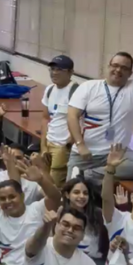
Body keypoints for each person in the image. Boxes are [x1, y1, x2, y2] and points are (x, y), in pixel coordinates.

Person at [67, 18, 133, 181]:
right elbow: (72, 116)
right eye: (115, 65)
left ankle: (89, 175)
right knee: (72, 197)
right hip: (85, 155)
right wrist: (80, 145)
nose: (118, 70)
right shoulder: (89, 87)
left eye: (124, 68)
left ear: (131, 73)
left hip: (117, 156)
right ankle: (91, 175)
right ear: (108, 67)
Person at [41, 55, 78, 186]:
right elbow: (45, 118)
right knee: (43, 181)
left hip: (62, 146)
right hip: (49, 142)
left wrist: (70, 143)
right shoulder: (49, 89)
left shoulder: (76, 92)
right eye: (52, 69)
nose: (54, 73)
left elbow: (82, 121)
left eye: (59, 69)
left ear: (70, 72)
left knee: (54, 185)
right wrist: (43, 145)